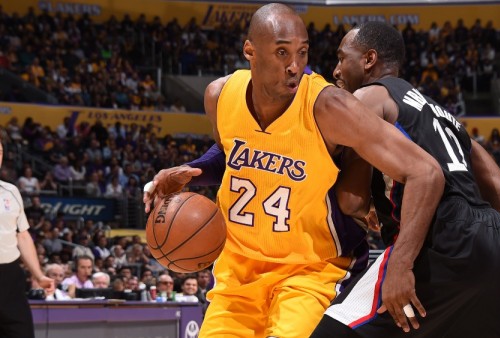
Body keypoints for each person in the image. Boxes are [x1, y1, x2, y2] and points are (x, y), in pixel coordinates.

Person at [143, 4, 444, 337]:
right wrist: (191, 170)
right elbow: (235, 153)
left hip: (311, 272)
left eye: (302, 52)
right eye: (282, 52)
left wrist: (392, 241)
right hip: (237, 274)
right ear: (250, 51)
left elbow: (423, 171)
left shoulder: (329, 106)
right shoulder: (219, 95)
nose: (294, 66)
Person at [310, 21, 500, 337]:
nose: (337, 70)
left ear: (368, 60)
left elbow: (351, 200)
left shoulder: (366, 98)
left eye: (342, 58)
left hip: (438, 243)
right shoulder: (445, 116)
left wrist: (407, 257)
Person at [0, 139, 53, 338]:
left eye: (0, 151)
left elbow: (22, 235)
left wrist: (38, 275)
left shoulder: (11, 191)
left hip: (10, 276)